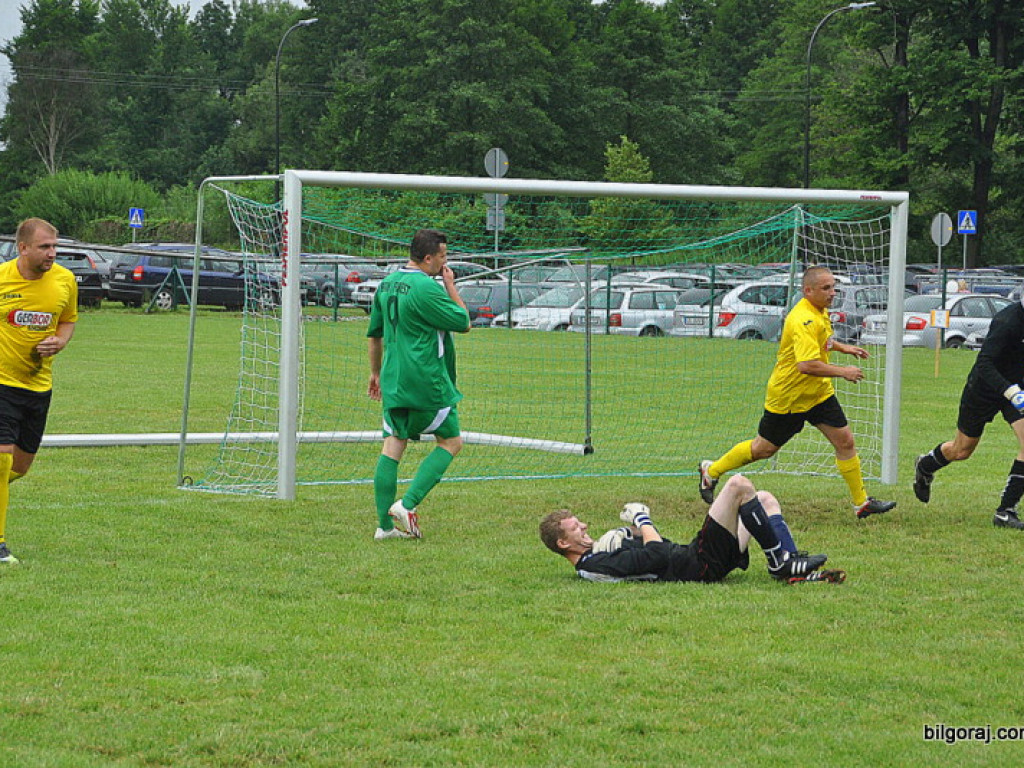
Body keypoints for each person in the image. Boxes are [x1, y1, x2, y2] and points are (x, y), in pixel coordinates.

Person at [698, 265, 895, 519]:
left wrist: (844, 347)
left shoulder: (818, 311)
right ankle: (711, 471)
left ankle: (861, 503)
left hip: (818, 394)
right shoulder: (803, 318)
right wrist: (843, 371)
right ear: (807, 291)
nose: (832, 293)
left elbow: (821, 340)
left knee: (845, 441)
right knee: (763, 450)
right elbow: (806, 365)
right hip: (790, 397)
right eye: (826, 288)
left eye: (833, 287)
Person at [539, 474, 845, 584]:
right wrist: (642, 519)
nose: (585, 526)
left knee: (763, 500)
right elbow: (657, 553)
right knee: (738, 485)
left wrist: (628, 535)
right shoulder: (595, 565)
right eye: (576, 528)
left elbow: (646, 553)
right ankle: (779, 562)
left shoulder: (598, 554)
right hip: (697, 565)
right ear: (564, 544)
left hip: (697, 559)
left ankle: (790, 565)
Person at [366, 229, 471, 540]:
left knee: (393, 444)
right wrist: (451, 286)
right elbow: (463, 322)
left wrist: (375, 373)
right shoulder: (427, 287)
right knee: (451, 442)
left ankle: (384, 529)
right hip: (426, 380)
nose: (445, 262)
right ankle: (407, 505)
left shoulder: (386, 284)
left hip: (393, 379)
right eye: (443, 257)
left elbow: (375, 334)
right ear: (428, 258)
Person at [0, 218, 78, 564]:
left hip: (38, 386)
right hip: (2, 383)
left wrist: (59, 340)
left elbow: (68, 319)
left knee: (18, 469)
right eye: (45, 246)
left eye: (54, 246)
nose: (52, 253)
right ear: (23, 247)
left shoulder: (65, 280)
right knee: (1, 462)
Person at [913, 296, 1024, 528]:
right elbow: (984, 362)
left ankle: (1005, 511)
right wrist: (1010, 390)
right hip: (985, 389)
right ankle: (926, 465)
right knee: (962, 450)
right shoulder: (1008, 321)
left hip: (1016, 389)